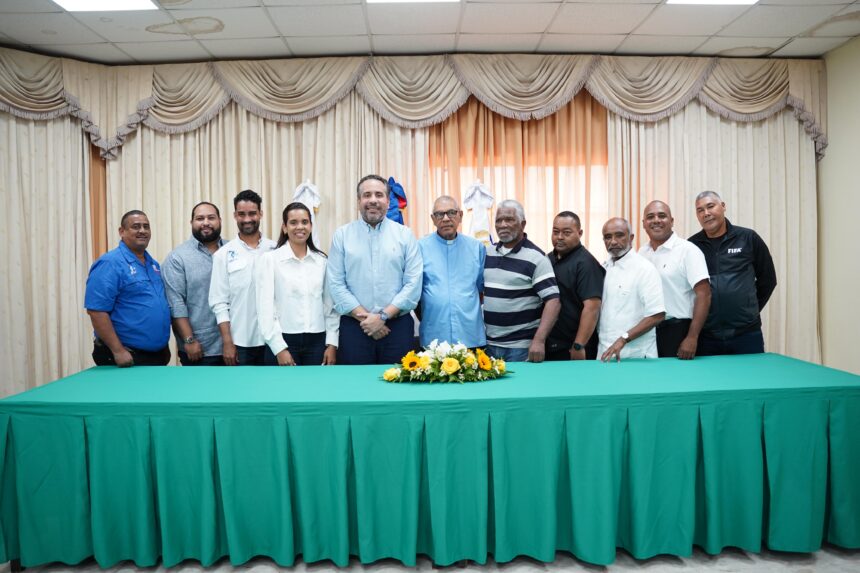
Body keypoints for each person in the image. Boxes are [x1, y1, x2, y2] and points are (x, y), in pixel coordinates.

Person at [326, 174, 422, 365]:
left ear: (388, 201)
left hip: (397, 328)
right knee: (356, 382)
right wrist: (367, 319)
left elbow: (413, 284)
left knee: (399, 382)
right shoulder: (342, 236)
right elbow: (336, 283)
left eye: (379, 195)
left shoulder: (405, 235)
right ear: (358, 201)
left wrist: (383, 317)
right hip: (355, 328)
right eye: (367, 195)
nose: (372, 200)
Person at [689, 191, 777, 355]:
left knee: (751, 373)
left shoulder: (748, 238)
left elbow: (768, 279)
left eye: (710, 206)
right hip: (706, 335)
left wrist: (749, 309)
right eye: (700, 210)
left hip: (746, 334)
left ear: (723, 206)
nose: (706, 213)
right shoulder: (692, 246)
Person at [84, 210, 171, 367]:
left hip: (157, 354)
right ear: (121, 231)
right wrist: (117, 350)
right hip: (126, 355)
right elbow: (96, 311)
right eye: (136, 226)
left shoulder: (153, 264)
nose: (142, 231)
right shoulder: (110, 263)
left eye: (146, 226)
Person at [256, 202, 338, 366]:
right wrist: (279, 348)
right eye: (293, 222)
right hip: (283, 341)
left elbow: (330, 306)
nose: (300, 227)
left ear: (311, 226)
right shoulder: (270, 260)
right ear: (285, 228)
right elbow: (265, 309)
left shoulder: (321, 261)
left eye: (304, 222)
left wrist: (332, 344)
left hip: (317, 342)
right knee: (282, 384)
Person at [483, 199, 560, 362]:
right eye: (498, 220)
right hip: (488, 345)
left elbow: (553, 302)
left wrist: (539, 340)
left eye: (509, 219)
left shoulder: (536, 258)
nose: (502, 225)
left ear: (522, 224)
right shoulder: (487, 253)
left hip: (520, 348)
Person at [209, 190, 276, 365]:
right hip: (240, 342)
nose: (247, 219)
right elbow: (219, 303)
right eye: (241, 214)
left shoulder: (276, 249)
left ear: (261, 214)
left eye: (252, 213)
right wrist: (227, 342)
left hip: (275, 340)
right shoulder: (222, 255)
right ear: (235, 216)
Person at [639, 200, 711, 359]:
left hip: (678, 331)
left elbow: (704, 295)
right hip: (647, 332)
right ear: (644, 224)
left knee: (678, 375)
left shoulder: (688, 251)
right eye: (650, 217)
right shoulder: (641, 253)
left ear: (671, 221)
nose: (656, 220)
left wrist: (692, 337)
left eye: (662, 216)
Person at [417, 196, 486, 348]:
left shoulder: (477, 248)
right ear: (433, 219)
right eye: (440, 214)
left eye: (451, 212)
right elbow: (415, 292)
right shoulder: (419, 248)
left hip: (470, 334)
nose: (446, 218)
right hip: (434, 335)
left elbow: (481, 290)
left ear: (460, 215)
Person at [162, 202, 226, 366]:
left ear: (220, 220)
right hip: (200, 349)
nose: (206, 222)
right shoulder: (177, 258)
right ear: (191, 222)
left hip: (236, 345)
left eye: (211, 218)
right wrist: (189, 340)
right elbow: (176, 303)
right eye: (200, 218)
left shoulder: (233, 250)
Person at [598, 217, 665, 362]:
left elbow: (657, 315)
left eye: (619, 235)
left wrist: (623, 339)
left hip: (636, 355)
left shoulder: (644, 269)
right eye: (608, 237)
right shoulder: (603, 268)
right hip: (604, 354)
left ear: (631, 237)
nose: (613, 241)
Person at [546, 211, 604, 361]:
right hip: (550, 344)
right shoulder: (548, 259)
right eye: (556, 232)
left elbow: (592, 307)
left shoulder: (586, 263)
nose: (560, 237)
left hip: (572, 347)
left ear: (580, 233)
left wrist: (579, 345)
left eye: (566, 233)